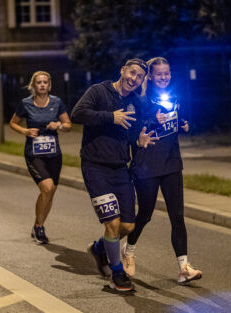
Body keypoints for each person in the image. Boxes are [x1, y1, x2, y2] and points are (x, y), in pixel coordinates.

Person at [70, 58, 157, 292]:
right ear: (122, 70)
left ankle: (99, 248)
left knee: (127, 227)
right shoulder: (99, 91)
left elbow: (131, 132)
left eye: (139, 77)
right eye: (132, 73)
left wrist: (139, 140)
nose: (134, 79)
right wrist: (110, 116)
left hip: (120, 168)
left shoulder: (135, 101)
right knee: (112, 224)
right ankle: (117, 274)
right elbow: (77, 114)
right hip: (95, 167)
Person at [123, 57, 202, 284]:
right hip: (146, 166)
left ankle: (184, 268)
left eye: (167, 73)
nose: (164, 77)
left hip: (171, 163)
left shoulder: (174, 97)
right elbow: (133, 131)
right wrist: (152, 120)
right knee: (145, 214)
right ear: (150, 76)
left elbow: (178, 121)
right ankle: (128, 252)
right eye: (159, 74)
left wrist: (184, 124)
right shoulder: (139, 100)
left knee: (177, 216)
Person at [10, 70, 71, 244]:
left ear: (49, 85)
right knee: (47, 187)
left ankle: (39, 225)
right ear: (33, 85)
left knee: (50, 193)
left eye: (45, 82)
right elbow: (13, 123)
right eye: (39, 82)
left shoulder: (57, 102)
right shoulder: (26, 103)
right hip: (34, 154)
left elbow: (68, 125)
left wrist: (59, 125)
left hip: (54, 154)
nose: (42, 85)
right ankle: (39, 227)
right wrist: (25, 131)